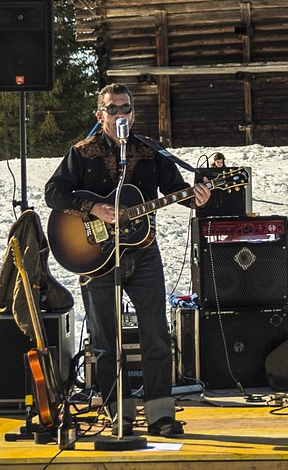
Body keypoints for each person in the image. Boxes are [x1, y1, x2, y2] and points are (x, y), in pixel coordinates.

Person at [45, 83, 211, 437]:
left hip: (143, 252)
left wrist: (195, 197)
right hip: (95, 255)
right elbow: (53, 192)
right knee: (105, 339)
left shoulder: (149, 150)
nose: (120, 115)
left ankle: (160, 415)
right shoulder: (82, 152)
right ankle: (116, 412)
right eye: (113, 109)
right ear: (100, 115)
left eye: (126, 109)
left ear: (133, 113)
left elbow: (174, 189)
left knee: (156, 334)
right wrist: (94, 208)